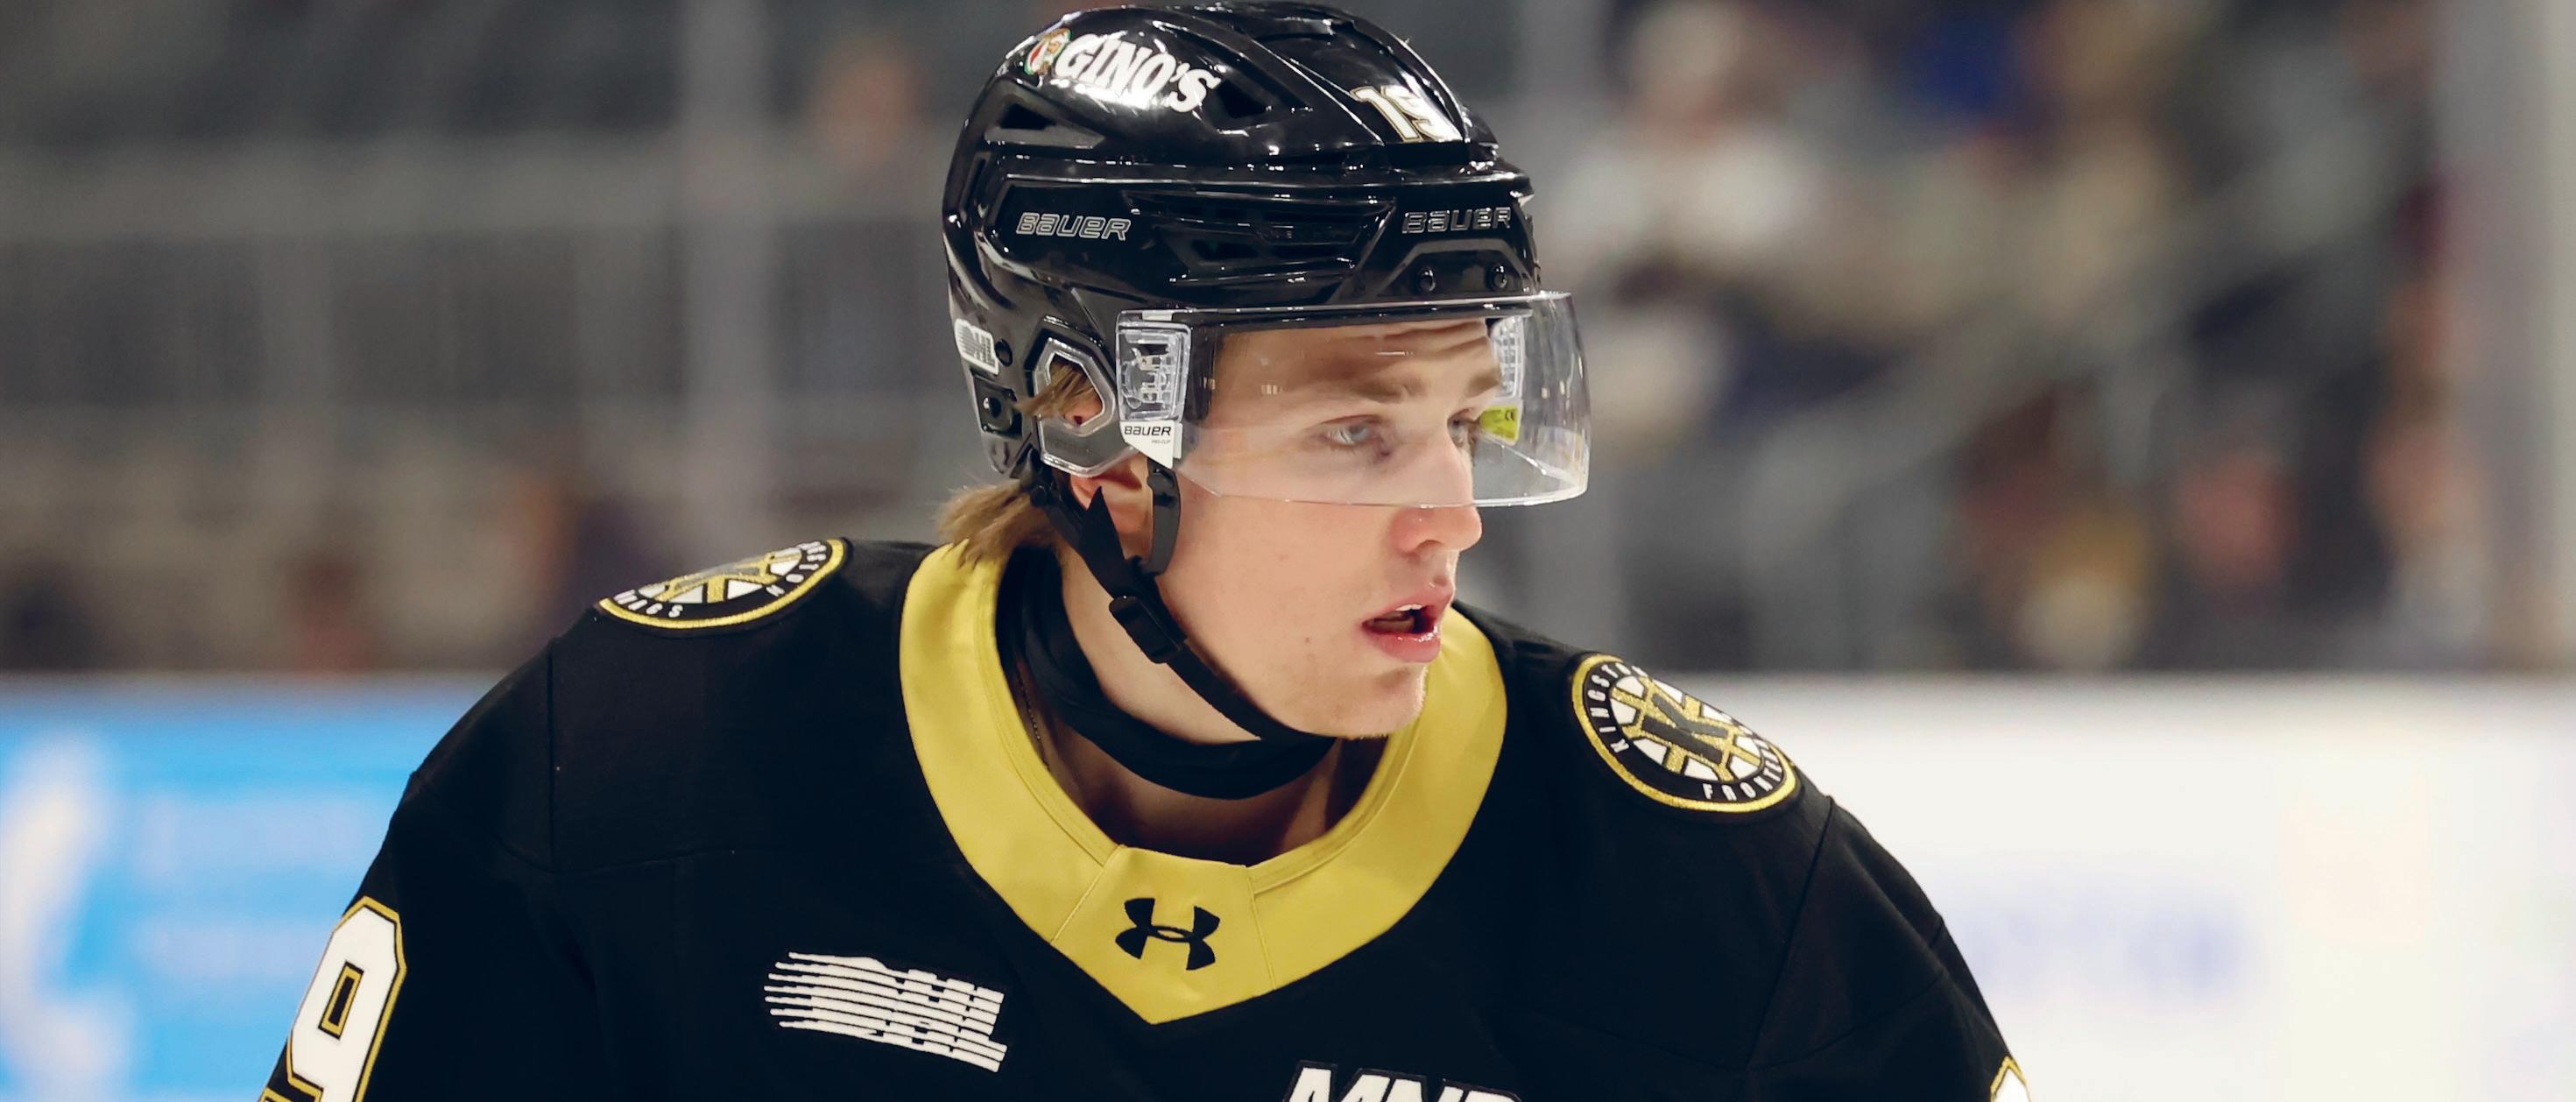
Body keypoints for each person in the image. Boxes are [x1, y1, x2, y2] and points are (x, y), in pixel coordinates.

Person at [262, 5, 2024, 1098]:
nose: (1451, 510)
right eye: (1355, 431)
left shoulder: (1719, 898)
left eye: (1464, 416)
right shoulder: (639, 761)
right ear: (1090, 427)